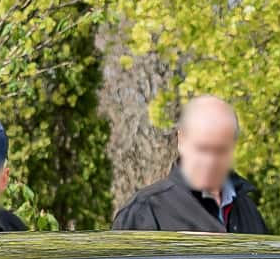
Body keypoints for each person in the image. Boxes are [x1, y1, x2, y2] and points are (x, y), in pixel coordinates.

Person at [113, 94, 265, 232]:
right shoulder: (144, 211)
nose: (210, 161)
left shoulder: (248, 210)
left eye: (221, 150)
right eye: (202, 149)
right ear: (181, 140)